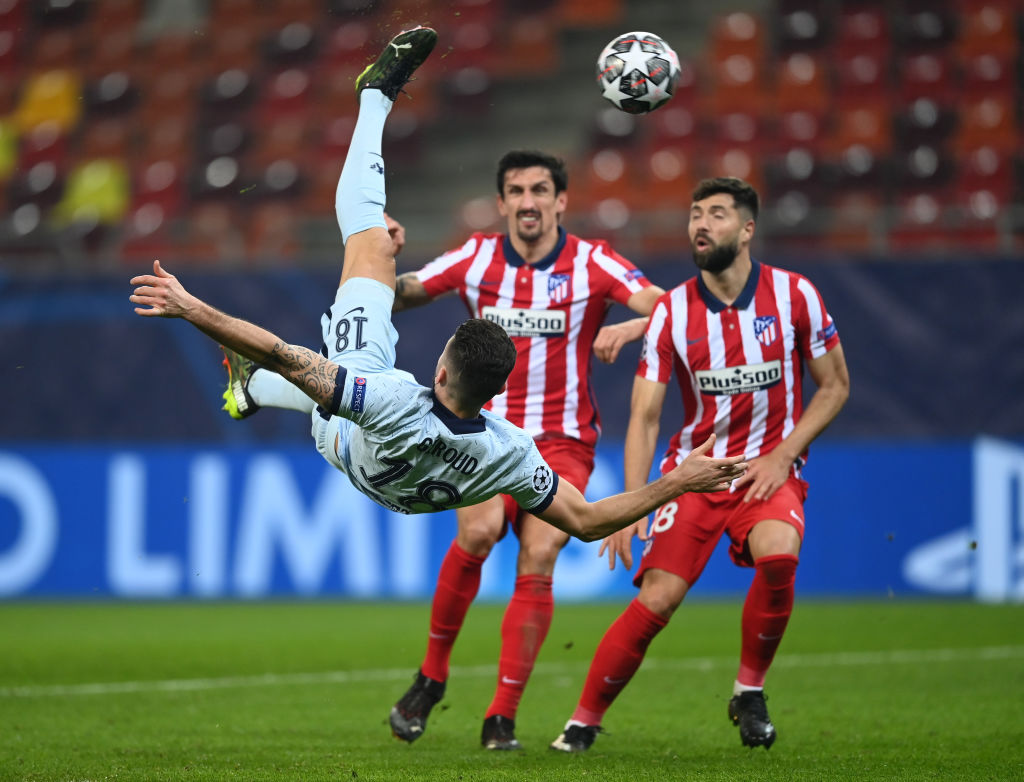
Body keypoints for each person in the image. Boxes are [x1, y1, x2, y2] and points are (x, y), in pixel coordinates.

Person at [129, 28, 747, 595]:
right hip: (384, 480)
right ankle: (252, 391)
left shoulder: (392, 398)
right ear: (494, 396)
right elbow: (586, 522)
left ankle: (375, 97)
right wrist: (678, 481)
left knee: (367, 243)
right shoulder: (509, 450)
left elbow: (285, 354)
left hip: (354, 433)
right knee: (311, 376)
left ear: (441, 372)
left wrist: (191, 307)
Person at [549, 177, 850, 753]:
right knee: (657, 599)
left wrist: (783, 454)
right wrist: (634, 502)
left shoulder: (795, 295)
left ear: (747, 228)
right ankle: (583, 722)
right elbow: (644, 417)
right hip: (696, 474)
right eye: (694, 214)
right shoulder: (672, 313)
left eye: (716, 214)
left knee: (779, 555)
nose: (701, 225)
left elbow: (835, 386)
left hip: (768, 468)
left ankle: (749, 691)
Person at [380, 149, 665, 750]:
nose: (528, 201)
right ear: (502, 202)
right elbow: (400, 294)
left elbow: (673, 309)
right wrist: (380, 253)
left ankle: (500, 717)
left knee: (539, 554)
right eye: (517, 190)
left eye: (540, 190)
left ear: (561, 201)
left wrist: (633, 325)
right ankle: (432, 676)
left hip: (562, 441)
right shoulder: (476, 257)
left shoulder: (593, 262)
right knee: (480, 531)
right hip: (485, 434)